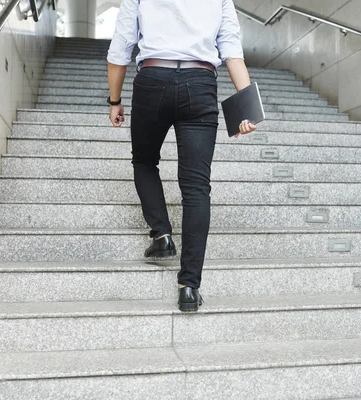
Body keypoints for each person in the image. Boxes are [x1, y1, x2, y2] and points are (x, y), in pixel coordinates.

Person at [107, 0, 257, 312]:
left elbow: (122, 44)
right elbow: (231, 50)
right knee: (196, 187)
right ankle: (189, 286)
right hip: (200, 83)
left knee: (145, 161)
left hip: (152, 80)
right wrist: (248, 109)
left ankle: (161, 234)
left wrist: (115, 100)